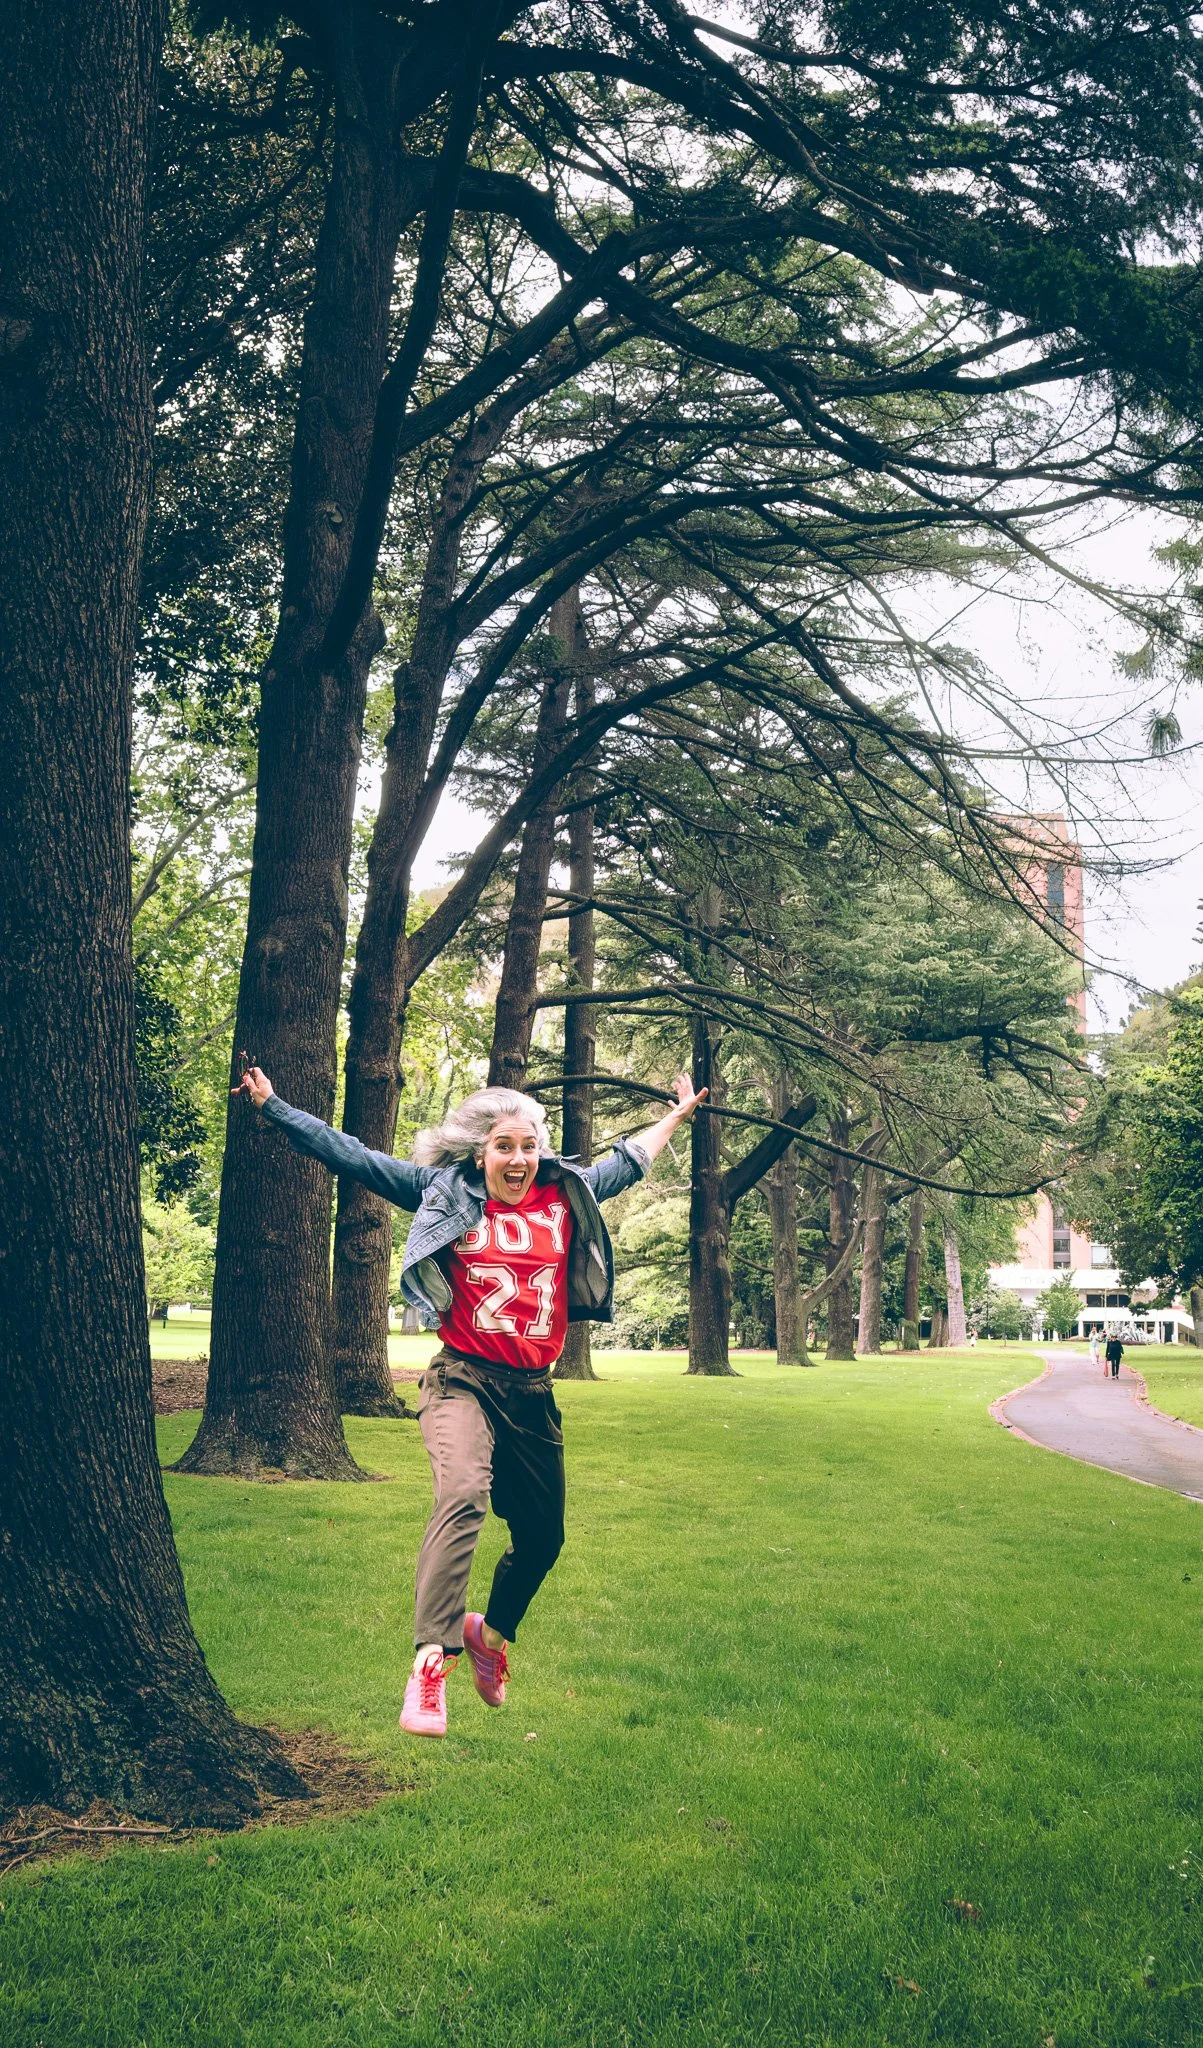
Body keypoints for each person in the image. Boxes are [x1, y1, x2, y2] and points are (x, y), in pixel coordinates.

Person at [232, 1063, 705, 1738]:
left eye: (527, 1146)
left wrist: (675, 1118)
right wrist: (272, 1106)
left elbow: (628, 1161)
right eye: (504, 1147)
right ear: (480, 1151)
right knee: (461, 1494)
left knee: (543, 1539)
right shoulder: (439, 1190)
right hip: (462, 1380)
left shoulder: (565, 1193)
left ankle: (491, 1636)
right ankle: (432, 1660)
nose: (518, 1159)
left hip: (531, 1394)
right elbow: (354, 1158)